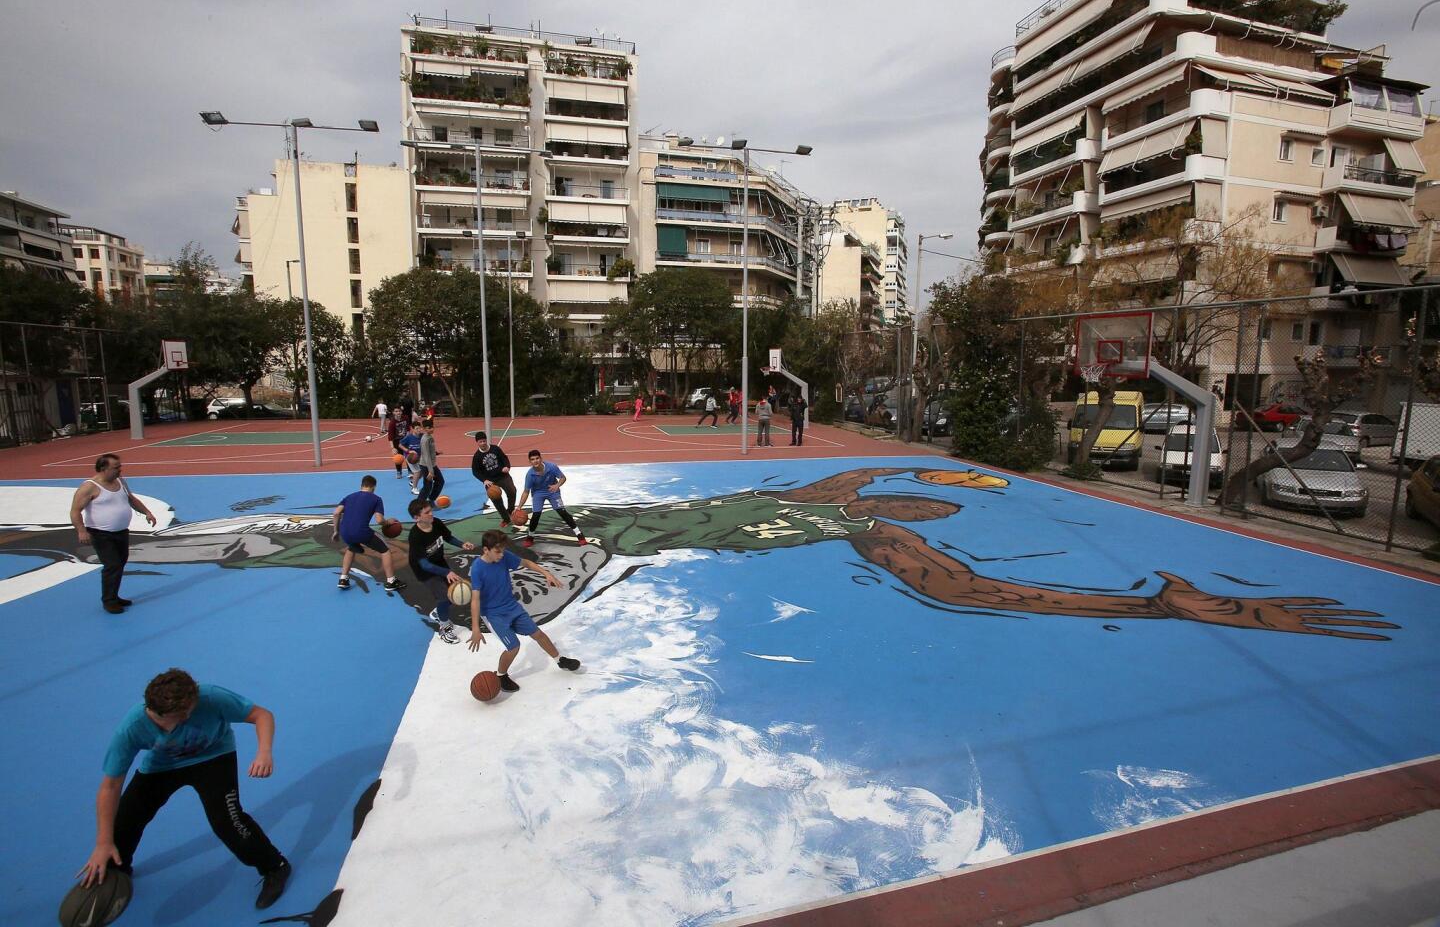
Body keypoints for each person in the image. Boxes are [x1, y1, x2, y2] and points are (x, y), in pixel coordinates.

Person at [24, 469, 1393, 640]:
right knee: (266, 546)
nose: (924, 520)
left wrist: (1172, 604)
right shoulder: (846, 485)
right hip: (575, 538)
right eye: (928, 509)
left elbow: (979, 593)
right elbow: (926, 515)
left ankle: (101, 541)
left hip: (589, 553)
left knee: (271, 554)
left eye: (924, 518)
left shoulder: (862, 522)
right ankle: (83, 532)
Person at [77, 668, 291, 910]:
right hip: (162, 766)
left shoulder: (208, 697)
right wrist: (103, 842)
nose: (193, 710)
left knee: (227, 822)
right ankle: (117, 868)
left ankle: (275, 866)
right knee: (126, 819)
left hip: (215, 757)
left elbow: (261, 715)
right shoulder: (132, 727)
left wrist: (264, 753)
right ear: (167, 714)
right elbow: (110, 786)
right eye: (187, 712)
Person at [466, 530, 581, 691]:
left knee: (538, 634)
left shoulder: (503, 556)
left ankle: (560, 660)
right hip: (494, 614)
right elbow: (475, 599)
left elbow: (526, 563)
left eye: (503, 550)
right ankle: (501, 675)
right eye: (497, 551)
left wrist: (546, 573)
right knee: (513, 646)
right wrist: (476, 629)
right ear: (486, 550)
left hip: (512, 607)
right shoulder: (478, 569)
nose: (501, 555)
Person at [70, 453, 158, 614]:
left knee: (120, 562)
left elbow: (131, 499)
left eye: (120, 467)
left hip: (121, 532)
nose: (120, 470)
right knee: (112, 565)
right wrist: (81, 530)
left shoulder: (120, 481)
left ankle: (114, 596)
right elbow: (75, 511)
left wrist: (146, 512)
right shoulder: (89, 487)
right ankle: (109, 601)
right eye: (116, 468)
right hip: (101, 534)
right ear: (103, 468)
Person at [407, 497, 475, 644]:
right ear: (416, 518)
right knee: (444, 596)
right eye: (426, 512)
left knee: (452, 594)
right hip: (424, 570)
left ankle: (438, 612)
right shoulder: (415, 536)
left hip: (439, 562)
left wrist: (462, 544)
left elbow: (448, 537)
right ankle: (443, 628)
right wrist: (447, 572)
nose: (431, 514)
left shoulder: (436, 523)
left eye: (430, 510)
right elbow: (424, 564)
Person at [332, 474, 405, 591]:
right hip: (361, 531)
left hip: (345, 531)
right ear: (374, 487)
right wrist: (388, 523)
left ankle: (343, 578)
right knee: (385, 550)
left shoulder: (349, 497)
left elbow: (336, 513)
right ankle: (391, 581)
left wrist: (336, 531)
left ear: (361, 485)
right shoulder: (376, 499)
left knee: (351, 548)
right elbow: (379, 520)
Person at [517, 449, 587, 548]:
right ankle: (530, 537)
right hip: (538, 493)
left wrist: (557, 485)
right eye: (532, 459)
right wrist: (519, 506)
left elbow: (563, 478)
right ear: (530, 461)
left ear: (541, 459)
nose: (535, 461)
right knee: (536, 515)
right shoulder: (530, 474)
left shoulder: (551, 467)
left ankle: (579, 534)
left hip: (552, 491)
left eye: (537, 458)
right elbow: (526, 491)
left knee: (562, 512)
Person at [471, 431, 517, 525]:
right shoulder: (477, 456)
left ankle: (510, 510)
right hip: (490, 481)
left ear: (486, 440)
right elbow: (475, 471)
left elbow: (504, 458)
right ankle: (506, 519)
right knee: (496, 499)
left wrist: (507, 466)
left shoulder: (495, 448)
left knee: (512, 491)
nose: (483, 443)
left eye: (484, 441)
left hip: (502, 476)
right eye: (481, 441)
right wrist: (484, 480)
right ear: (477, 442)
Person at [417, 419, 444, 506]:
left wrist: (436, 453)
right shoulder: (425, 440)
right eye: (429, 428)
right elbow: (426, 456)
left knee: (440, 481)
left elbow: (429, 451)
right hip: (426, 466)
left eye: (432, 427)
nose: (432, 429)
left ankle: (431, 500)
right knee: (427, 486)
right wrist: (431, 471)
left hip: (431, 465)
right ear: (424, 429)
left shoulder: (430, 437)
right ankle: (419, 504)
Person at [399, 426, 424, 495]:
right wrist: (408, 451)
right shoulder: (408, 437)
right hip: (410, 457)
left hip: (419, 457)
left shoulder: (422, 436)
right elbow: (400, 445)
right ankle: (414, 488)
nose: (419, 430)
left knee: (423, 471)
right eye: (417, 428)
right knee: (417, 471)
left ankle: (413, 481)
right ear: (412, 429)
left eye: (420, 428)